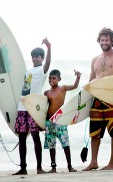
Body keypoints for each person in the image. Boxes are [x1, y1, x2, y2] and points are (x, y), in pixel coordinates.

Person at [83, 21, 113, 171]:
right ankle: (94, 161)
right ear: (99, 41)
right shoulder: (95, 60)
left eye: (107, 40)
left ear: (112, 41)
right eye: (102, 40)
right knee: (95, 133)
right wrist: (84, 99)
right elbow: (91, 80)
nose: (104, 42)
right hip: (97, 99)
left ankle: (112, 163)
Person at [13, 38, 51, 175]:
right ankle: (23, 168)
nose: (35, 59)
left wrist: (49, 47)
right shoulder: (27, 72)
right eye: (33, 57)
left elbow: (48, 64)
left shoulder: (42, 70)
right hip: (22, 107)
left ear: (42, 58)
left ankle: (39, 168)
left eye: (37, 57)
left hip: (33, 108)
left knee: (35, 136)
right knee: (21, 137)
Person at [44, 69, 80, 173]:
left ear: (59, 79)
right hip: (49, 121)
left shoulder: (63, 88)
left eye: (54, 78)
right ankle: (53, 167)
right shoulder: (46, 93)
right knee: (51, 145)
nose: (51, 80)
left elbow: (74, 86)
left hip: (60, 119)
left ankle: (70, 166)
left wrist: (78, 77)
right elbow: (43, 108)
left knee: (65, 144)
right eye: (50, 78)